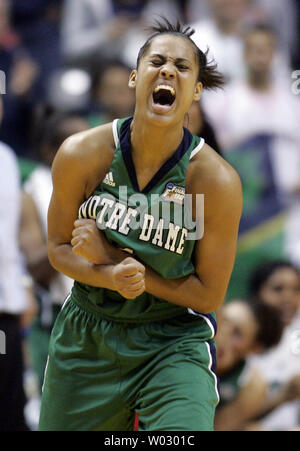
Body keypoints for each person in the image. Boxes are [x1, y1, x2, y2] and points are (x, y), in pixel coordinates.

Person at [38, 18, 242, 431]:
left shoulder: (215, 181)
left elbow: (208, 295)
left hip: (172, 339)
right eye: (158, 61)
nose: (168, 71)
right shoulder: (82, 153)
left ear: (197, 91)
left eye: (182, 68)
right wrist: (110, 277)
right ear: (135, 77)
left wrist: (116, 264)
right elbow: (58, 249)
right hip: (88, 333)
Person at [19, 112, 89, 394]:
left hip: (99, 316)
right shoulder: (31, 193)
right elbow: (37, 269)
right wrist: (71, 230)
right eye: (78, 142)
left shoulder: (104, 183)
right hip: (55, 320)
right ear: (50, 151)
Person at [0, 95, 35, 431]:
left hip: (6, 316)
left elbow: (8, 238)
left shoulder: (7, 158)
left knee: (11, 415)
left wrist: (22, 284)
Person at [214, 298, 283, 431]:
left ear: (254, 348)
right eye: (224, 320)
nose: (223, 332)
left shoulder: (253, 385)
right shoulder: (191, 342)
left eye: (237, 333)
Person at [247, 260, 300, 430]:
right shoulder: (240, 340)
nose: (288, 298)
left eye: (296, 290)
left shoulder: (295, 340)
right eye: (278, 289)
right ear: (256, 293)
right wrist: (283, 395)